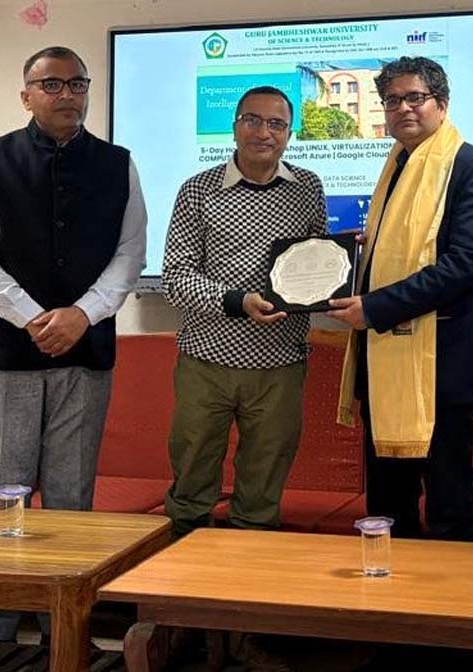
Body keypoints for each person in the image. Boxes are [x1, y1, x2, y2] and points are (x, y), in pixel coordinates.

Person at [0, 45, 146, 643]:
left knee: (70, 497)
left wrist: (83, 314)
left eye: (77, 84)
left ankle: (63, 629)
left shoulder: (117, 163)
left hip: (85, 351)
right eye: (52, 84)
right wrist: (33, 317)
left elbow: (130, 252)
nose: (67, 95)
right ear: (26, 95)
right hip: (9, 355)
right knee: (4, 493)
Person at [328, 57, 473, 542]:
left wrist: (374, 308)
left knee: (448, 505)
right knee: (388, 505)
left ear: (441, 104)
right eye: (392, 100)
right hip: (385, 362)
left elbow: (463, 266)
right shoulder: (396, 167)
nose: (403, 108)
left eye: (415, 98)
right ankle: (389, 590)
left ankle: (452, 593)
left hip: (442, 366)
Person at [162, 86, 327, 537]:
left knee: (262, 491)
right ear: (234, 126)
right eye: (252, 120)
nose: (263, 133)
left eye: (276, 124)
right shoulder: (198, 189)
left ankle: (248, 572)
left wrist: (340, 267)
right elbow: (175, 278)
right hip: (206, 361)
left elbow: (314, 263)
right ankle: (182, 570)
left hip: (280, 364)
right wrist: (239, 302)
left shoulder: (308, 188)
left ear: (289, 134)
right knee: (192, 481)